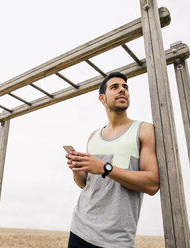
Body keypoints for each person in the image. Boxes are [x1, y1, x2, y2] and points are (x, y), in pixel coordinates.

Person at [65, 72, 159, 248]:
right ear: (102, 98)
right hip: (80, 230)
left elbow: (152, 184)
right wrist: (77, 170)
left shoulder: (143, 129)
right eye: (115, 87)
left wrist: (105, 168)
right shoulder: (93, 136)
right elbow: (85, 184)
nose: (122, 90)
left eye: (125, 87)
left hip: (116, 240)